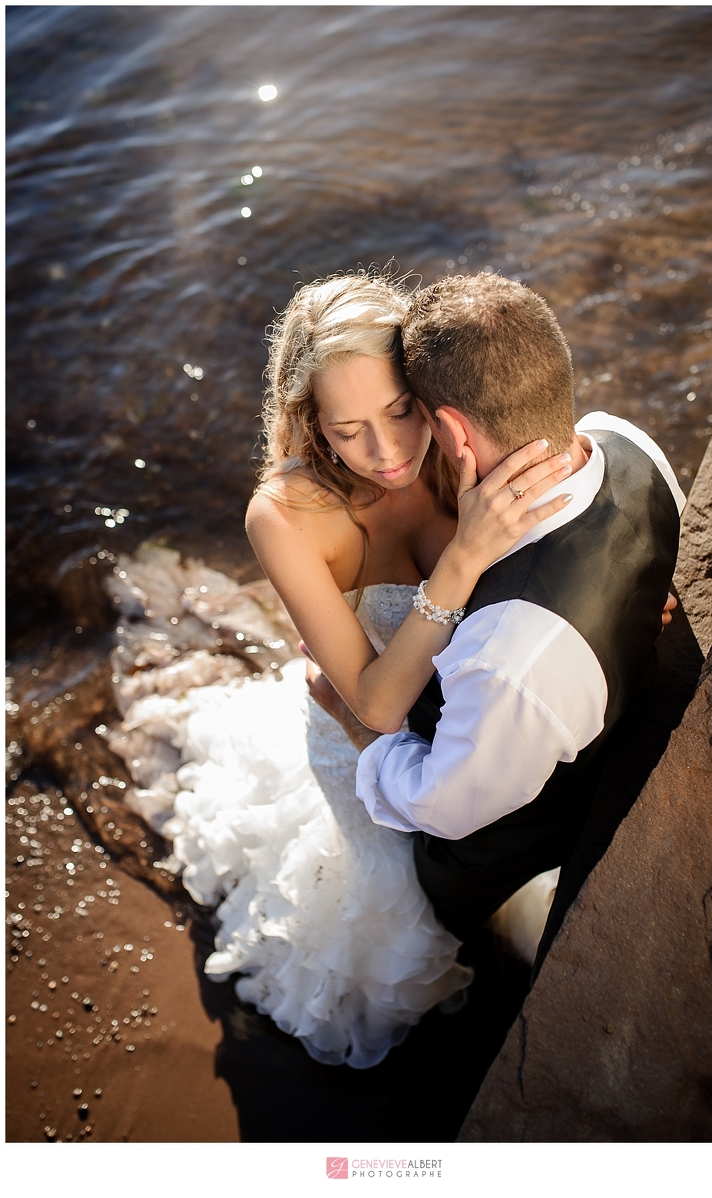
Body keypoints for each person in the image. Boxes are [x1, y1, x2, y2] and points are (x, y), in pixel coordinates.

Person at [115, 271, 573, 1069]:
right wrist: (461, 561)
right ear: (311, 424)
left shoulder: (451, 439)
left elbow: (561, 482)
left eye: (401, 411)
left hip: (463, 713)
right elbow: (374, 705)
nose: (390, 452)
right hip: (360, 738)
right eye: (349, 429)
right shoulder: (284, 515)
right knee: (394, 919)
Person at [353, 273, 685, 950]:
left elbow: (439, 808)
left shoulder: (508, 654)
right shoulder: (627, 442)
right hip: (596, 736)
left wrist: (362, 737)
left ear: (450, 428)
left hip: (497, 857)